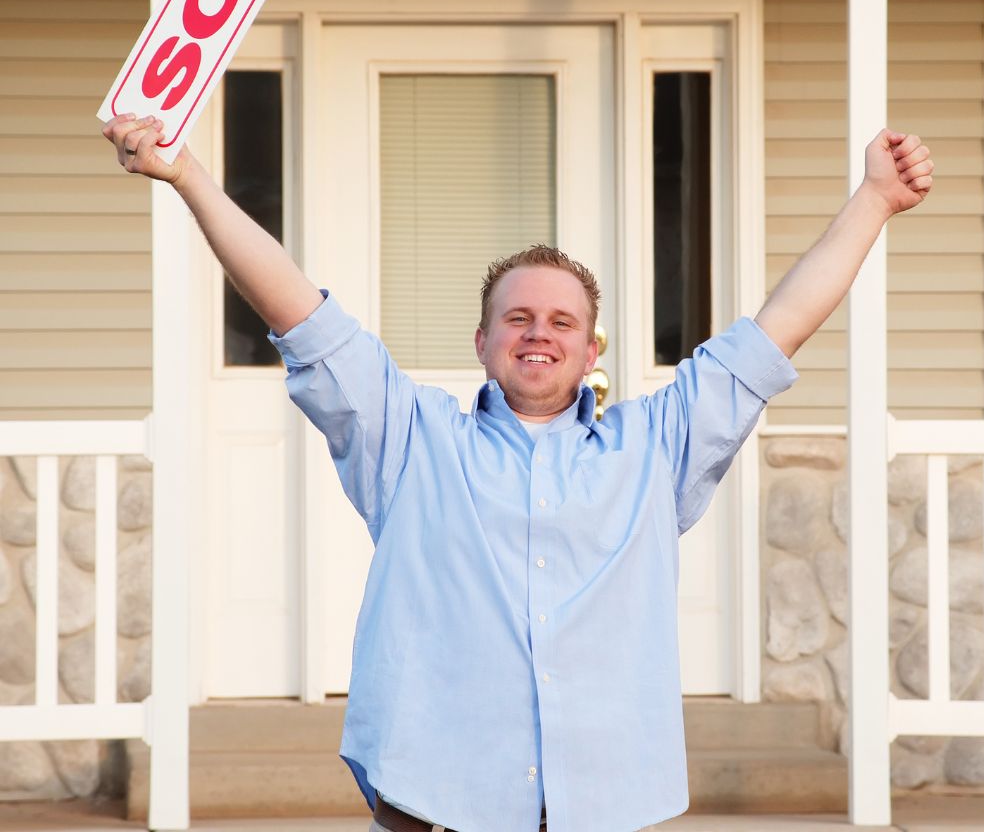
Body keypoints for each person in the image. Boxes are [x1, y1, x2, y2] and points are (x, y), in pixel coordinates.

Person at [103, 115, 932, 832]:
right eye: (519, 317)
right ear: (483, 340)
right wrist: (189, 178)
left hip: (599, 803)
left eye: (563, 320)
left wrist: (875, 201)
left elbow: (777, 328)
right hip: (436, 804)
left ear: (592, 349)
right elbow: (298, 313)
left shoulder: (657, 447)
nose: (540, 333)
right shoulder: (411, 439)